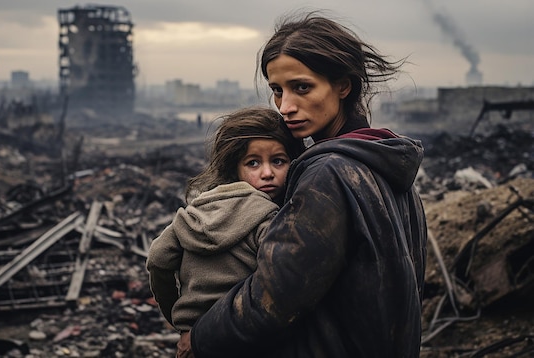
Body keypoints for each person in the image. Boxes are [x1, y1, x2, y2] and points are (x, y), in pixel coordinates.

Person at [180, 10, 428, 358]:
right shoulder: (388, 163)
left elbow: (274, 297)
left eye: (302, 87)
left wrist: (201, 337)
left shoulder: (329, 172)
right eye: (277, 91)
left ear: (343, 85)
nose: (285, 106)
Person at [145, 107, 303, 337]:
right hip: (244, 334)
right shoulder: (269, 219)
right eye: (253, 163)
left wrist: (178, 318)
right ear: (234, 169)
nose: (267, 173)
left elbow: (157, 259)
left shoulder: (194, 211)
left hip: (195, 335)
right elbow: (281, 283)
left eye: (278, 161)